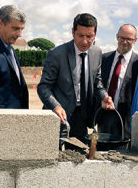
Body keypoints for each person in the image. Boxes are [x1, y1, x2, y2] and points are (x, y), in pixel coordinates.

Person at [37, 13, 114, 149]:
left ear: (95, 34)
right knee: (54, 157)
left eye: (89, 36)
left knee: (78, 159)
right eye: (80, 35)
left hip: (81, 117)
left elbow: (97, 82)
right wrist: (56, 106)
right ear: (73, 32)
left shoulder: (97, 53)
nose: (84, 41)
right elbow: (43, 87)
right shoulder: (56, 54)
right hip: (58, 116)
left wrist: (104, 96)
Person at [95, 24, 138, 139]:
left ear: (135, 40)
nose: (125, 41)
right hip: (104, 114)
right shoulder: (104, 58)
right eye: (122, 37)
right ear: (117, 37)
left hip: (126, 118)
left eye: (129, 39)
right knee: (102, 148)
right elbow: (97, 83)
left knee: (122, 151)